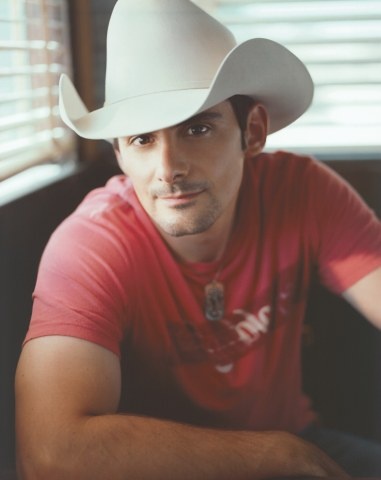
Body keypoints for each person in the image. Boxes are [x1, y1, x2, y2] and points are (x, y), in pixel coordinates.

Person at [15, 1, 381, 479]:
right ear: (120, 153)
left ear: (252, 132)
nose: (169, 169)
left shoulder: (301, 191)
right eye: (142, 139)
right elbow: (48, 453)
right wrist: (273, 456)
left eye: (198, 128)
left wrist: (289, 454)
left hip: (300, 443)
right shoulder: (90, 245)